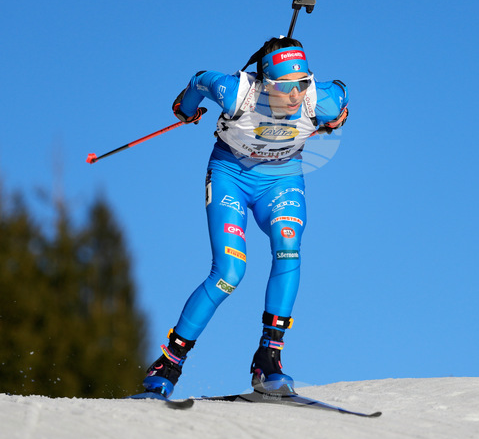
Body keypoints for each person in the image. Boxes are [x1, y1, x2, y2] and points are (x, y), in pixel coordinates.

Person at [141, 36, 349, 398]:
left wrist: (339, 120)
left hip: (282, 180)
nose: (296, 95)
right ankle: (169, 362)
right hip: (231, 177)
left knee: (288, 246)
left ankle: (268, 359)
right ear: (266, 83)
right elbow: (199, 79)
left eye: (302, 84)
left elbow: (343, 94)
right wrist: (184, 107)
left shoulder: (321, 99)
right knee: (229, 273)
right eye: (285, 87)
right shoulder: (237, 91)